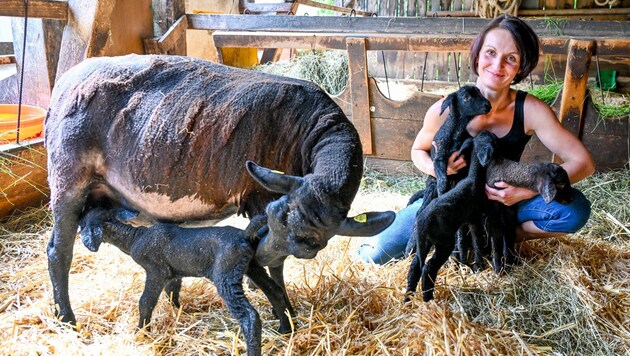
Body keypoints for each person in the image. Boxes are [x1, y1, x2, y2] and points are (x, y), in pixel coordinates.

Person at [358, 14, 595, 265]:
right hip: (450, 202)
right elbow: (418, 150)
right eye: (490, 52)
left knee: (575, 209)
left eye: (511, 58)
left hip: (501, 205)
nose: (498, 65)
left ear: (522, 66)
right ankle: (457, 238)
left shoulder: (531, 110)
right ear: (477, 55)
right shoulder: (448, 107)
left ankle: (496, 238)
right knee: (371, 254)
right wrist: (439, 169)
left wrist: (525, 191)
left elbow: (583, 162)